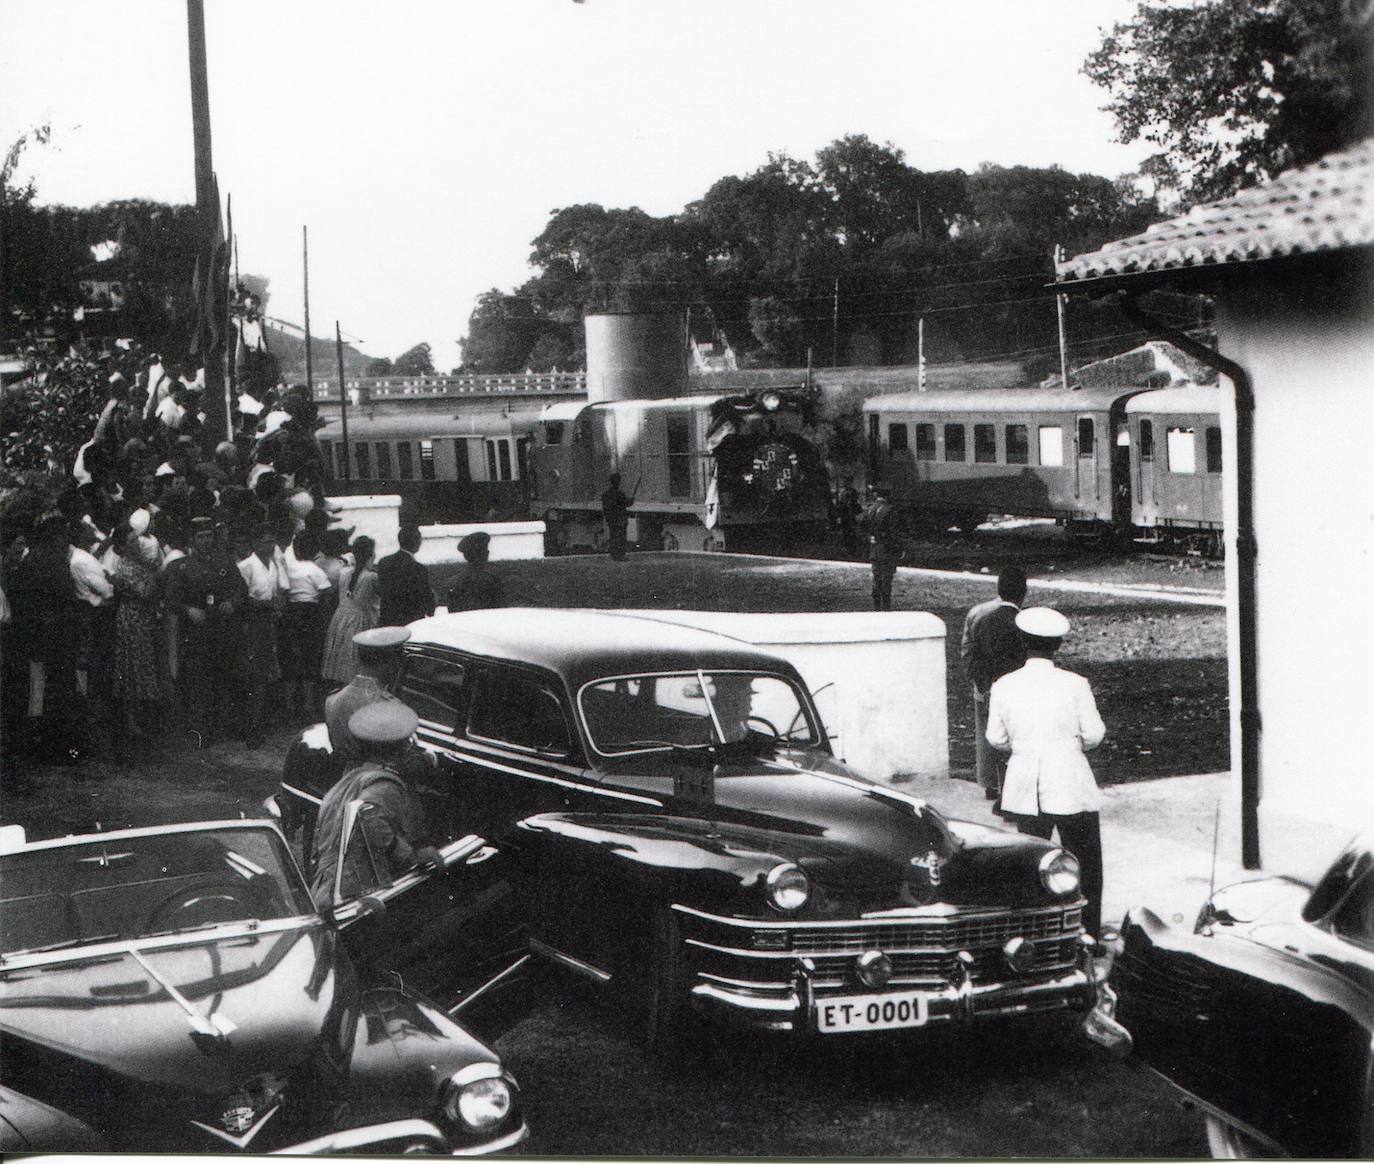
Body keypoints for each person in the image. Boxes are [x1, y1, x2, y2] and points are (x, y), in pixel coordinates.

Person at [986, 607, 1107, 940]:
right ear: (1058, 644)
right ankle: (1087, 933)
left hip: (1026, 786)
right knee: (1085, 863)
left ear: (1024, 643)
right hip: (1069, 782)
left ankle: (1034, 936)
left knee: (1030, 863)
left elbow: (996, 739)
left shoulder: (1005, 685)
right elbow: (1094, 735)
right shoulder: (1075, 684)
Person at [309, 700, 442, 910]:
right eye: (407, 744)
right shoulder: (385, 784)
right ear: (398, 749)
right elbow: (367, 814)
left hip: (329, 888)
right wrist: (410, 856)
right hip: (354, 896)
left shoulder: (354, 776)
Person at [166, 516, 244, 742]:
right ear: (192, 539)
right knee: (198, 682)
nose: (206, 540)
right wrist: (188, 610)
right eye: (201, 536)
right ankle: (200, 731)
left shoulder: (225, 562)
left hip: (221, 629)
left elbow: (240, 588)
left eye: (209, 535)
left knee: (223, 678)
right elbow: (171, 599)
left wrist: (232, 603)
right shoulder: (181, 567)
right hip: (195, 633)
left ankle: (222, 728)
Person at [961, 566, 1029, 802]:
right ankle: (1009, 793)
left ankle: (992, 786)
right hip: (1018, 690)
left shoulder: (981, 617)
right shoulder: (1023, 621)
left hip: (988, 686)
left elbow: (971, 654)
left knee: (990, 736)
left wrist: (982, 685)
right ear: (1024, 592)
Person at [324, 625, 409, 762]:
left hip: (345, 779)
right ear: (388, 662)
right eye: (398, 660)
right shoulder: (388, 707)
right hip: (378, 780)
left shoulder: (332, 699)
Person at [235, 523, 285, 742]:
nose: (271, 545)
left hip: (270, 623)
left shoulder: (275, 564)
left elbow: (280, 591)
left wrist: (278, 606)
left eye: (273, 541)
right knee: (254, 675)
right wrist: (263, 606)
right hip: (253, 624)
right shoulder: (246, 566)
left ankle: (261, 722)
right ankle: (250, 726)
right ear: (256, 544)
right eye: (266, 541)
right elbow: (241, 598)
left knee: (268, 674)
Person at [279, 528, 334, 723]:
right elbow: (327, 592)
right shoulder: (315, 570)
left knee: (292, 661)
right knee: (309, 661)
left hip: (291, 614)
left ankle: (289, 706)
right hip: (310, 615)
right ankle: (309, 706)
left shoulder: (288, 569)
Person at [321, 536, 380, 687]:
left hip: (341, 619)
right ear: (371, 555)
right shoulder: (371, 577)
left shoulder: (344, 573)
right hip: (358, 621)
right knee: (354, 662)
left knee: (341, 660)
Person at [375, 525, 435, 627]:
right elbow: (426, 598)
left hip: (388, 619)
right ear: (417, 542)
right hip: (411, 621)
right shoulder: (419, 569)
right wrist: (431, 610)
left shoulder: (384, 562)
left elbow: (381, 590)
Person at [860, 484, 903, 611]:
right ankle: (886, 608)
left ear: (876, 495)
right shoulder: (890, 510)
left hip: (874, 549)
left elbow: (862, 528)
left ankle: (876, 607)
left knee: (876, 578)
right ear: (888, 495)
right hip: (887, 550)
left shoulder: (869, 509)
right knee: (886, 581)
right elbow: (894, 532)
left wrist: (871, 539)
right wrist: (899, 548)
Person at [446, 530, 505, 611]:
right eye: (484, 551)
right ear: (485, 555)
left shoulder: (454, 582)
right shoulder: (493, 581)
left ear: (466, 556)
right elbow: (499, 610)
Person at [600, 473, 632, 562]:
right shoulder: (620, 494)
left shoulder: (606, 494)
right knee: (621, 538)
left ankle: (614, 555)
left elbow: (605, 508)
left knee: (613, 537)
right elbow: (627, 503)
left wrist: (607, 518)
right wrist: (631, 500)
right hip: (620, 520)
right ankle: (620, 556)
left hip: (612, 520)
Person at [835, 475, 862, 556]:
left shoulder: (849, 492)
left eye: (846, 481)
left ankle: (850, 549)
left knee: (849, 533)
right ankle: (849, 548)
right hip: (847, 516)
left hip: (848, 516)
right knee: (847, 533)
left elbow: (849, 505)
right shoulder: (847, 492)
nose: (845, 483)